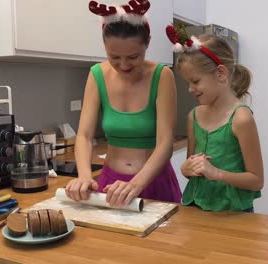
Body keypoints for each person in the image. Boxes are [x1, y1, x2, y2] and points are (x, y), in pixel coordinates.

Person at [65, 0, 182, 207]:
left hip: (154, 182)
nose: (124, 64)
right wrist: (84, 176)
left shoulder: (162, 75)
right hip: (111, 185)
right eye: (114, 57)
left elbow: (165, 143)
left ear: (147, 43)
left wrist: (136, 185)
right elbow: (84, 136)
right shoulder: (96, 75)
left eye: (133, 56)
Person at [165, 24, 264, 212]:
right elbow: (194, 170)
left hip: (233, 213)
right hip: (194, 208)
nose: (190, 89)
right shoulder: (193, 116)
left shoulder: (241, 119)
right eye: (188, 82)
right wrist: (187, 169)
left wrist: (217, 173)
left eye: (195, 81)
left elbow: (256, 181)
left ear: (220, 73)